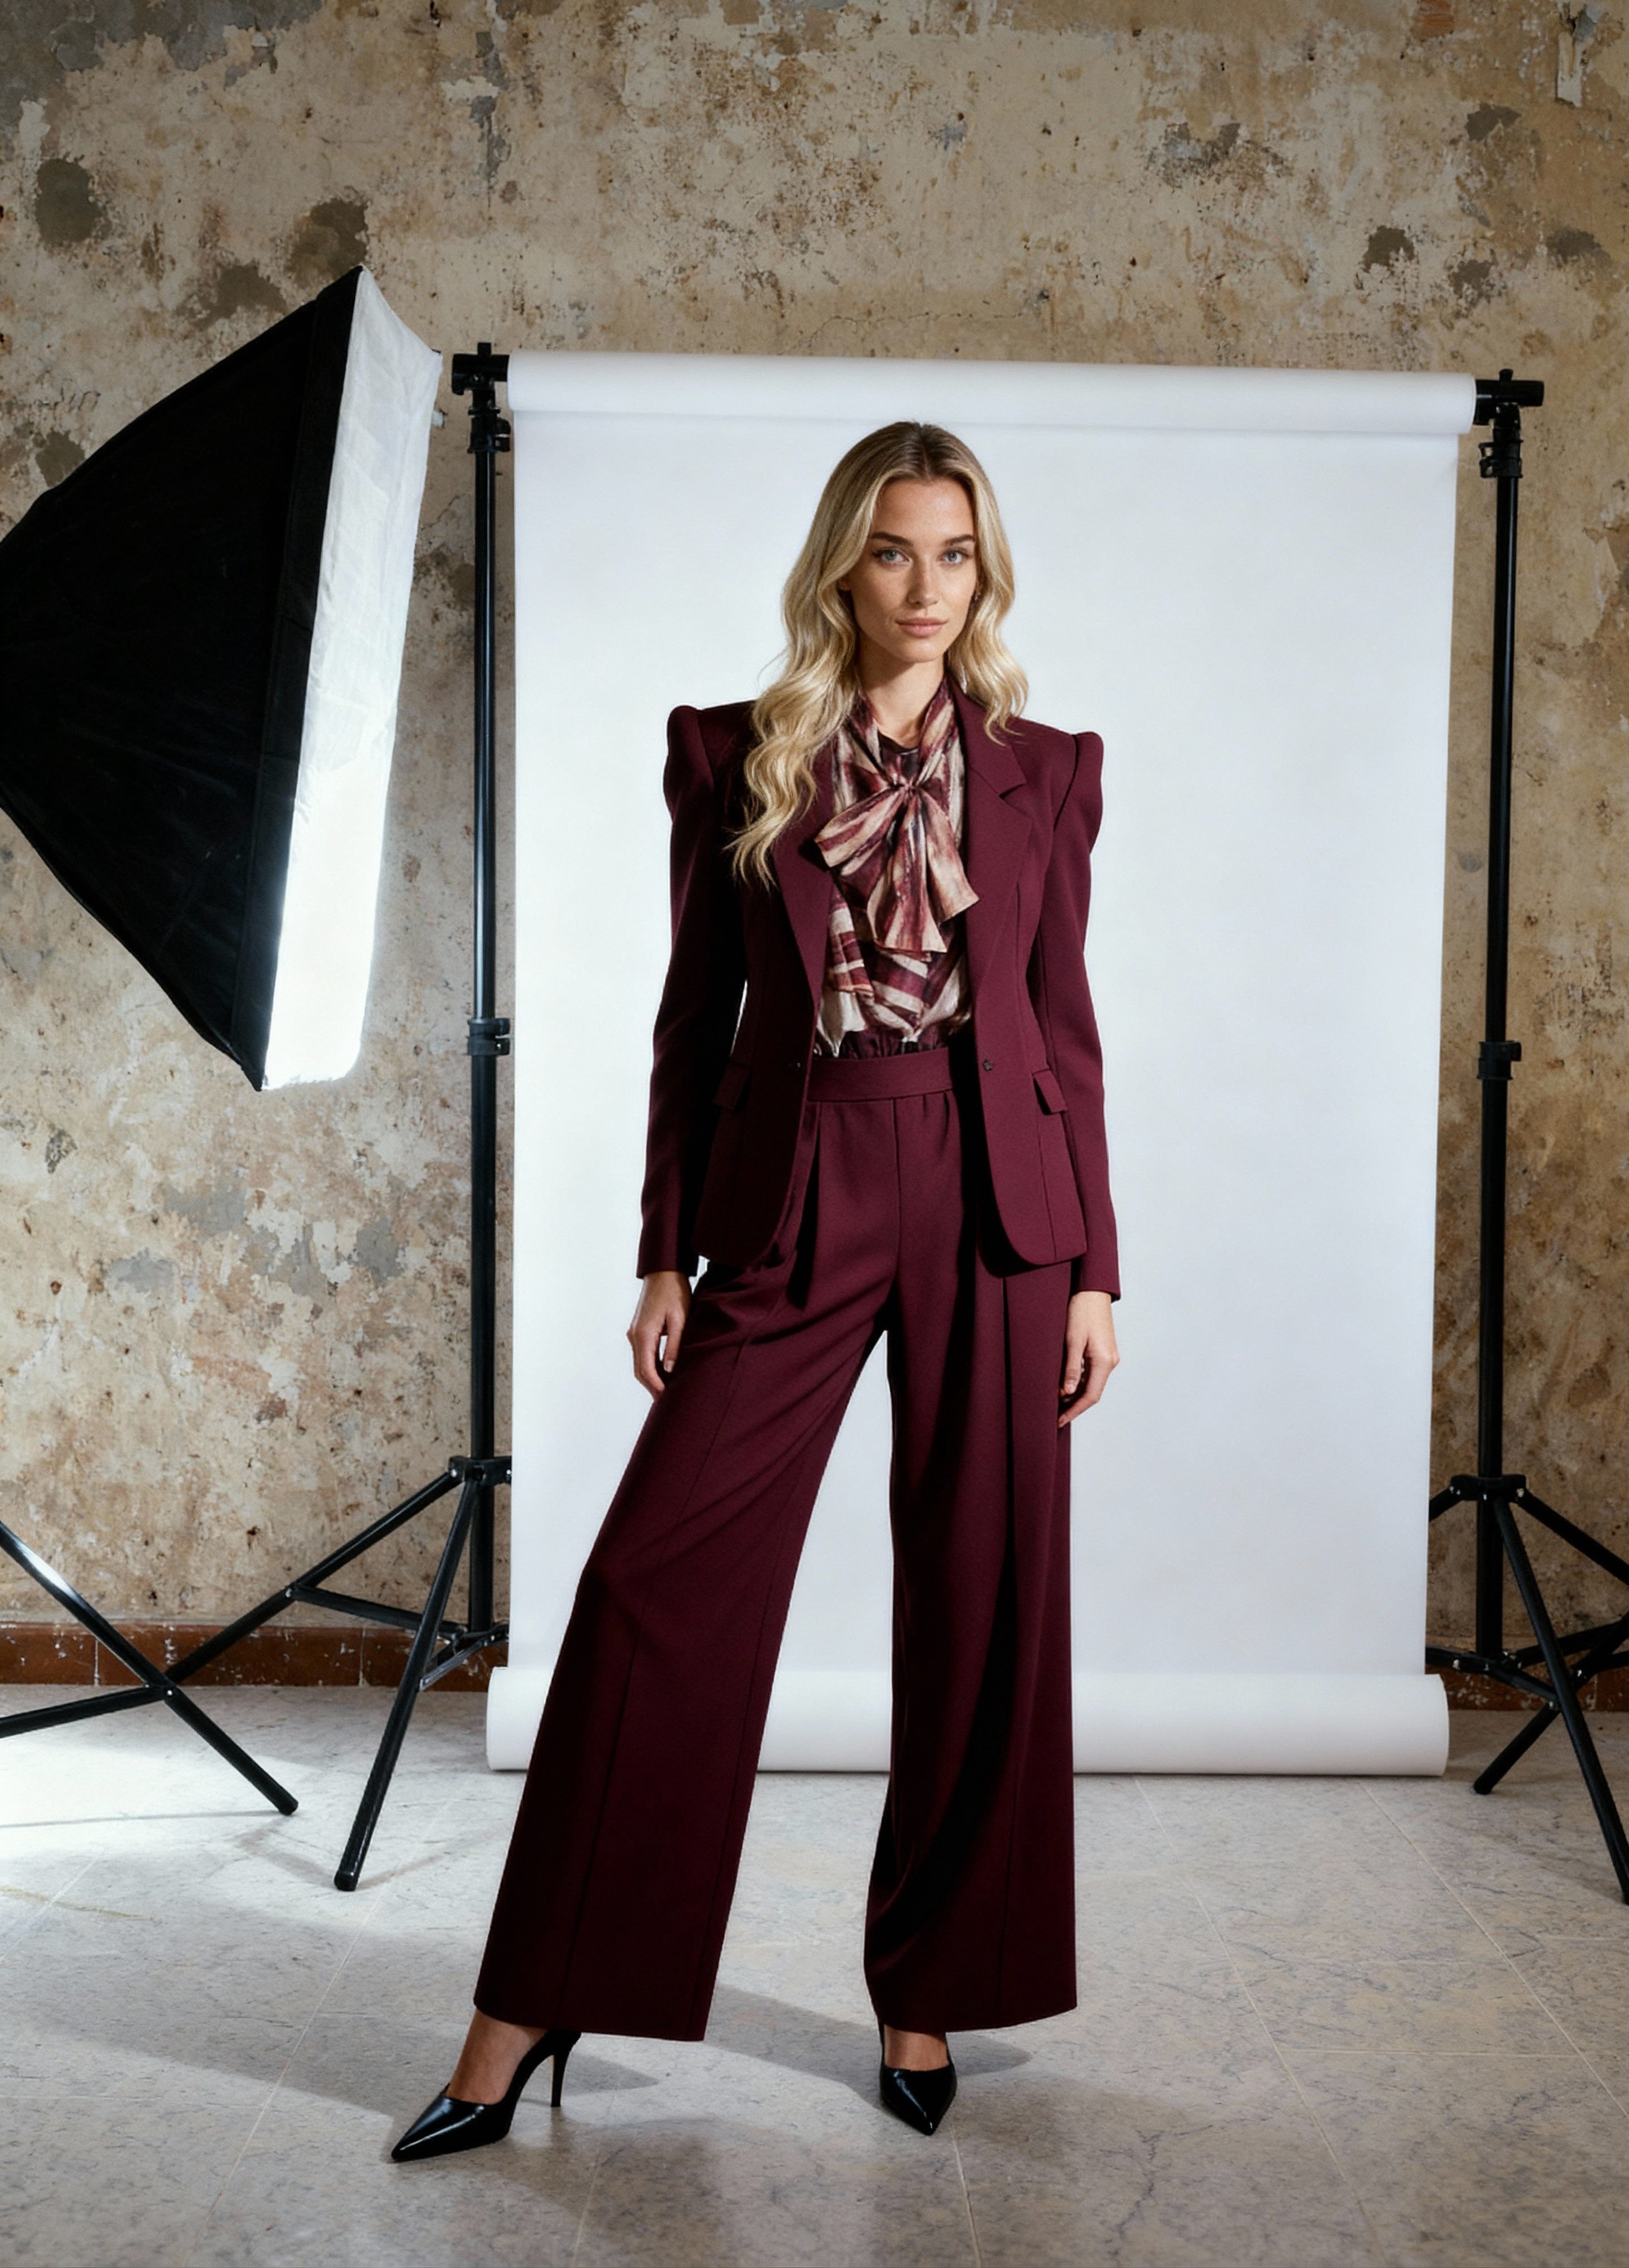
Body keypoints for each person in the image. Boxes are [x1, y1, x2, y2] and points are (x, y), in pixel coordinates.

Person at [393, 421, 1119, 2160]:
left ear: (987, 570)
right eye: (895, 551)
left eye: (956, 553)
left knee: (982, 1600)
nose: (928, 588)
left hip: (1000, 1207)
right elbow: (692, 1019)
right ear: (841, 565)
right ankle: (531, 2004)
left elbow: (1065, 1028)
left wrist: (1096, 1266)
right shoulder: (734, 754)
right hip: (797, 1189)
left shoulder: (1049, 768)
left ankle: (928, 1990)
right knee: (655, 1586)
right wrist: (664, 1247)